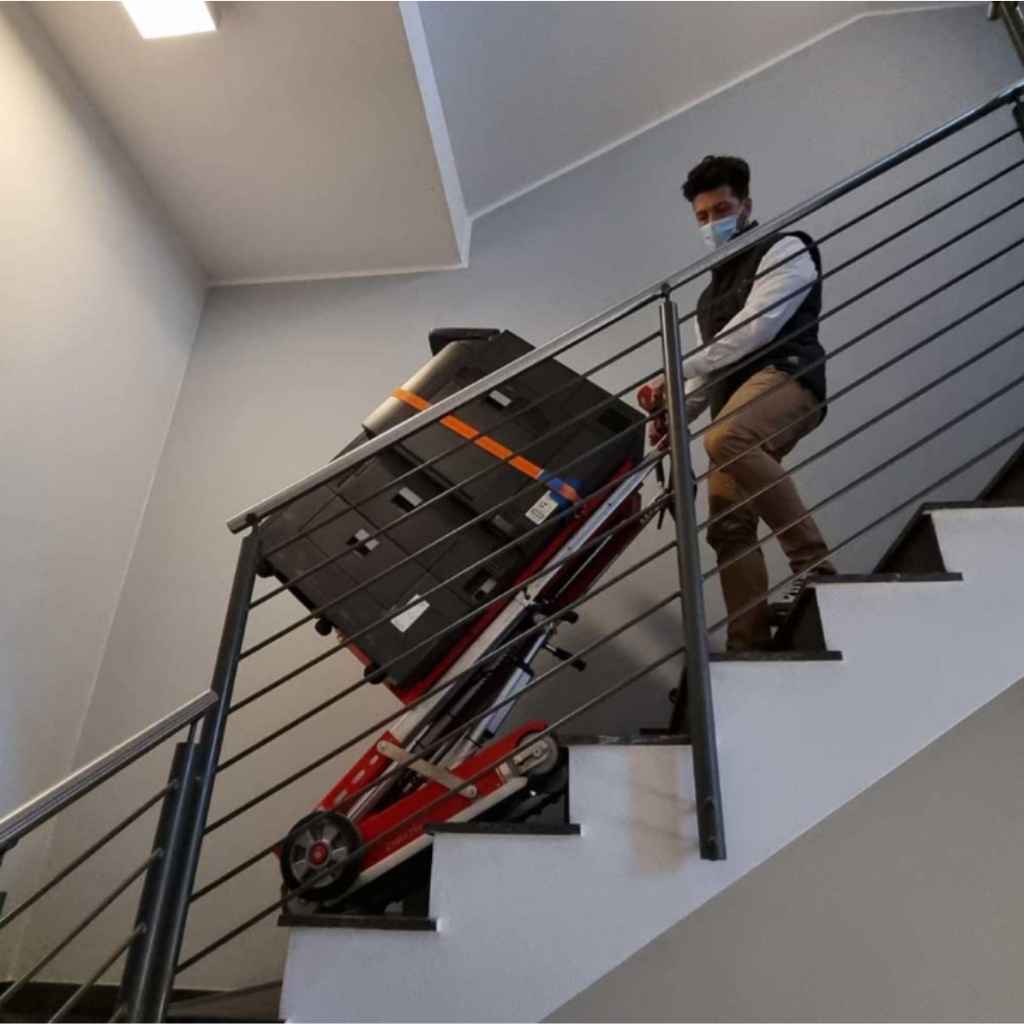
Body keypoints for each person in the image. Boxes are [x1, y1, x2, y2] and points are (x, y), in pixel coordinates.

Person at [642, 155, 836, 652]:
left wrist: (674, 370)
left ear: (746, 205)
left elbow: (758, 328)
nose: (712, 223)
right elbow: (707, 375)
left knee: (728, 437)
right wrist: (669, 416)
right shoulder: (708, 299)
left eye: (721, 209)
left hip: (788, 376)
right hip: (733, 399)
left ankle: (816, 569)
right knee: (728, 525)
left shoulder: (786, 248)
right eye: (702, 217)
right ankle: (746, 643)